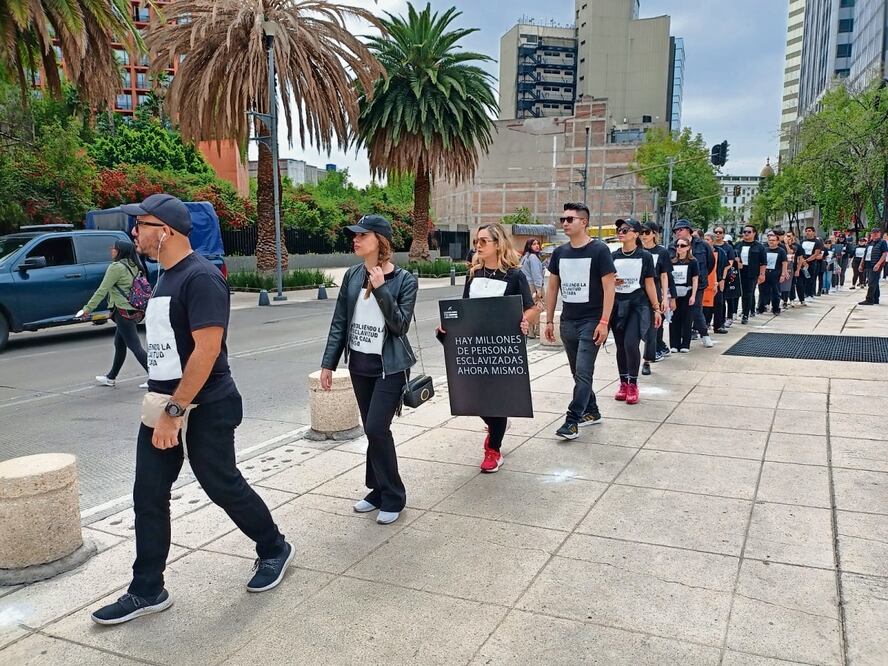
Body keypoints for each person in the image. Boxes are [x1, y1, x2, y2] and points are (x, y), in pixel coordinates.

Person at [91, 194, 293, 626]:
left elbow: (206, 351)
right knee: (148, 494)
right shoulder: (165, 276)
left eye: (141, 225)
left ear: (164, 231)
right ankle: (147, 589)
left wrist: (175, 411)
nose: (133, 233)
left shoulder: (201, 278)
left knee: (222, 485)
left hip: (205, 404)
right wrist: (164, 406)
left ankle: (274, 547)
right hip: (163, 402)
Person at [321, 215, 418, 524]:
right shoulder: (352, 275)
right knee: (372, 431)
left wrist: (380, 289)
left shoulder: (404, 280)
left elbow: (400, 326)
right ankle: (376, 490)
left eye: (363, 235)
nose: (356, 239)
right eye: (355, 235)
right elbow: (340, 322)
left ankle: (394, 496)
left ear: (380, 240)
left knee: (377, 428)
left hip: (390, 368)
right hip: (359, 366)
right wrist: (328, 364)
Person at [441, 223, 535, 471]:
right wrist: (449, 326)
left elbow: (531, 307)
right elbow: (464, 308)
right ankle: (496, 425)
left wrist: (524, 320)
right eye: (476, 241)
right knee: (473, 398)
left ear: (498, 243)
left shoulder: (514, 275)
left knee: (497, 400)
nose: (478, 246)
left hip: (502, 349)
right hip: (473, 347)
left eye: (483, 241)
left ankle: (493, 449)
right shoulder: (473, 274)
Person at [545, 203, 616, 440]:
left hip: (592, 321)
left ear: (584, 222)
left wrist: (604, 321)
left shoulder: (599, 250)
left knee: (584, 372)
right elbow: (552, 287)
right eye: (563, 219)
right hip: (568, 321)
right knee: (578, 373)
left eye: (570, 219)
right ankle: (592, 411)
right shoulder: (559, 253)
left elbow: (609, 287)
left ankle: (572, 421)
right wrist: (549, 320)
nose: (564, 223)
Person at [78, 238, 149, 389]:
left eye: (114, 248)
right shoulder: (135, 266)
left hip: (122, 311)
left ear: (120, 251)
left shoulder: (116, 267)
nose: (111, 250)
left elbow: (102, 290)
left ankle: (155, 377)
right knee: (120, 344)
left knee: (135, 346)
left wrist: (87, 308)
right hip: (134, 310)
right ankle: (111, 377)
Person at [611, 220, 661, 403]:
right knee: (620, 346)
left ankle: (633, 383)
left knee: (631, 344)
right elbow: (605, 281)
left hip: (637, 305)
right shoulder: (613, 256)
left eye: (625, 230)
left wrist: (656, 308)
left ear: (636, 234)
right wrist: (611, 281)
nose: (621, 232)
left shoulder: (645, 256)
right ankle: (623, 383)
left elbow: (649, 283)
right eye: (619, 229)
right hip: (617, 305)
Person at [670, 220, 714, 348]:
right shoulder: (672, 246)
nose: (677, 232)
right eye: (675, 230)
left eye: (680, 229)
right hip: (678, 285)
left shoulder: (702, 245)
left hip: (697, 284)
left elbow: (710, 262)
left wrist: (701, 275)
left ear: (688, 230)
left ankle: (704, 334)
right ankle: (679, 340)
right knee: (678, 312)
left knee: (695, 309)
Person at [640, 221, 672, 375]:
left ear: (654, 233)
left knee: (652, 329)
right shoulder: (637, 250)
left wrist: (665, 298)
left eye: (647, 232)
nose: (643, 235)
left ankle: (647, 360)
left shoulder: (661, 252)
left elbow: (665, 276)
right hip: (639, 292)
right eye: (641, 232)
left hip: (655, 291)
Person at [669, 237, 700, 353]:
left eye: (682, 246)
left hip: (687, 292)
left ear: (688, 247)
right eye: (677, 246)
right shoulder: (672, 261)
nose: (679, 248)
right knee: (674, 318)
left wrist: (693, 295)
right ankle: (674, 344)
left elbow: (695, 279)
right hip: (674, 293)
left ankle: (685, 344)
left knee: (687, 319)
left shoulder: (693, 262)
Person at [736, 225, 767, 323]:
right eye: (744, 231)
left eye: (749, 232)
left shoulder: (759, 246)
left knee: (748, 293)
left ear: (754, 233)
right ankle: (734, 313)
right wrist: (737, 262)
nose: (746, 233)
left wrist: (762, 274)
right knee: (737, 293)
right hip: (739, 272)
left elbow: (763, 262)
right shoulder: (738, 245)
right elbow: (733, 257)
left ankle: (746, 314)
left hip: (752, 273)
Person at [520, 238, 545, 338]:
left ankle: (530, 332)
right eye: (534, 244)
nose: (537, 246)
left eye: (538, 244)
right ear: (529, 246)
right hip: (533, 285)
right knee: (540, 307)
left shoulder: (525, 256)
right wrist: (539, 289)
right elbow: (536, 274)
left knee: (529, 307)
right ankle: (539, 330)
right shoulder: (533, 257)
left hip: (526, 285)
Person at [711, 226, 734, 333]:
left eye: (720, 232)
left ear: (723, 234)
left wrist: (722, 279)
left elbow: (729, 264)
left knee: (720, 301)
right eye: (716, 232)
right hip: (710, 278)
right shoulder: (709, 248)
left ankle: (720, 323)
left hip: (721, 277)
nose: (718, 234)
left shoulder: (727, 248)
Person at [859, 228, 888, 305]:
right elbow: (865, 254)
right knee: (874, 281)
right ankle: (875, 299)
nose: (875, 234)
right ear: (871, 234)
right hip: (868, 264)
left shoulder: (882, 242)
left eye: (877, 232)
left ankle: (869, 299)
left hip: (875, 264)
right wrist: (861, 264)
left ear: (879, 234)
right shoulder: (869, 243)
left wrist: (878, 264)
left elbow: (884, 254)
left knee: (871, 282)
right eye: (873, 232)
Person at [762, 231, 788, 315]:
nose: (771, 242)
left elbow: (784, 263)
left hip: (776, 274)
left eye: (773, 240)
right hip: (765, 273)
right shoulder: (765, 250)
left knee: (776, 293)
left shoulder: (781, 251)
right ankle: (762, 307)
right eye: (770, 240)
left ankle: (776, 308)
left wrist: (783, 274)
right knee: (764, 291)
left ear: (777, 241)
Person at [800, 226, 824, 299]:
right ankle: (803, 293)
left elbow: (816, 254)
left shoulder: (817, 242)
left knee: (810, 279)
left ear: (813, 232)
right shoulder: (802, 241)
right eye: (806, 231)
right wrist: (802, 261)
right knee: (802, 279)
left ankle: (810, 293)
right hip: (802, 262)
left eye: (809, 231)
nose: (807, 232)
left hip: (812, 263)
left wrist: (807, 260)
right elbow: (799, 252)